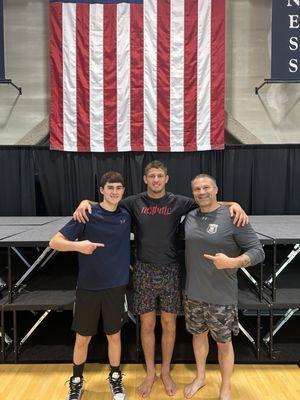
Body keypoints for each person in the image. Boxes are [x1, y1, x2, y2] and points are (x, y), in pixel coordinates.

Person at [73, 161, 248, 397]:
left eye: (160, 176)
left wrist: (233, 204)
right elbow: (108, 203)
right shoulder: (134, 202)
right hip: (144, 270)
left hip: (170, 270)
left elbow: (208, 201)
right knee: (146, 325)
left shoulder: (179, 202)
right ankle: (150, 373)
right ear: (145, 180)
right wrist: (87, 202)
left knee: (168, 324)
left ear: (166, 179)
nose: (156, 180)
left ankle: (165, 372)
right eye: (152, 176)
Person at [49, 171, 131, 400]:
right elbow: (54, 242)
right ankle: (76, 381)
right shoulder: (86, 213)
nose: (114, 192)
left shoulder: (126, 214)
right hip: (89, 287)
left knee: (114, 335)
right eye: (110, 188)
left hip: (116, 287)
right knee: (82, 337)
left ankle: (115, 379)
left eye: (118, 188)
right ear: (102, 191)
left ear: (123, 191)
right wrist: (79, 246)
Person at [183, 174, 265, 400]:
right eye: (197, 189)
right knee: (198, 336)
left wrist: (233, 262)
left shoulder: (233, 217)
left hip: (222, 296)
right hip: (193, 293)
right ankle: (200, 377)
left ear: (216, 189)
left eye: (206, 187)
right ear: (193, 193)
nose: (202, 192)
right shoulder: (189, 216)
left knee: (224, 342)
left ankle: (225, 387)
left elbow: (258, 251)